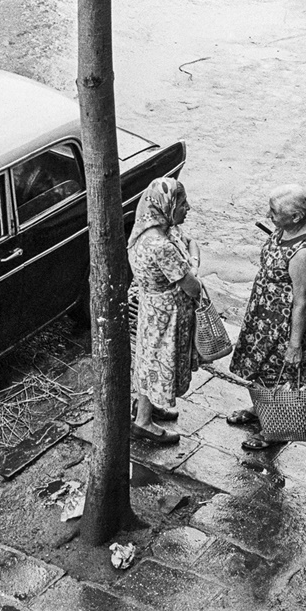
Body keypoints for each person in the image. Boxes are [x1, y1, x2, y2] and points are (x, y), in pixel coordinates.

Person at [227, 185, 306, 451]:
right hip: (265, 317)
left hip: (284, 325)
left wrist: (295, 345)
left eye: (274, 212)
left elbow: (302, 301)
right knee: (261, 369)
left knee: (279, 373)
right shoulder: (287, 229)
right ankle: (261, 406)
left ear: (296, 217)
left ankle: (274, 429)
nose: (269, 215)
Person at [127, 177, 203, 445]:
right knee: (158, 361)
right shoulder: (161, 246)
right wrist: (193, 264)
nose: (188, 208)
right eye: (182, 203)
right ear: (167, 204)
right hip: (166, 316)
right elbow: (192, 287)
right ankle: (144, 422)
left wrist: (190, 259)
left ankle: (148, 407)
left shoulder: (152, 229)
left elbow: (190, 240)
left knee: (149, 359)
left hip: (153, 310)